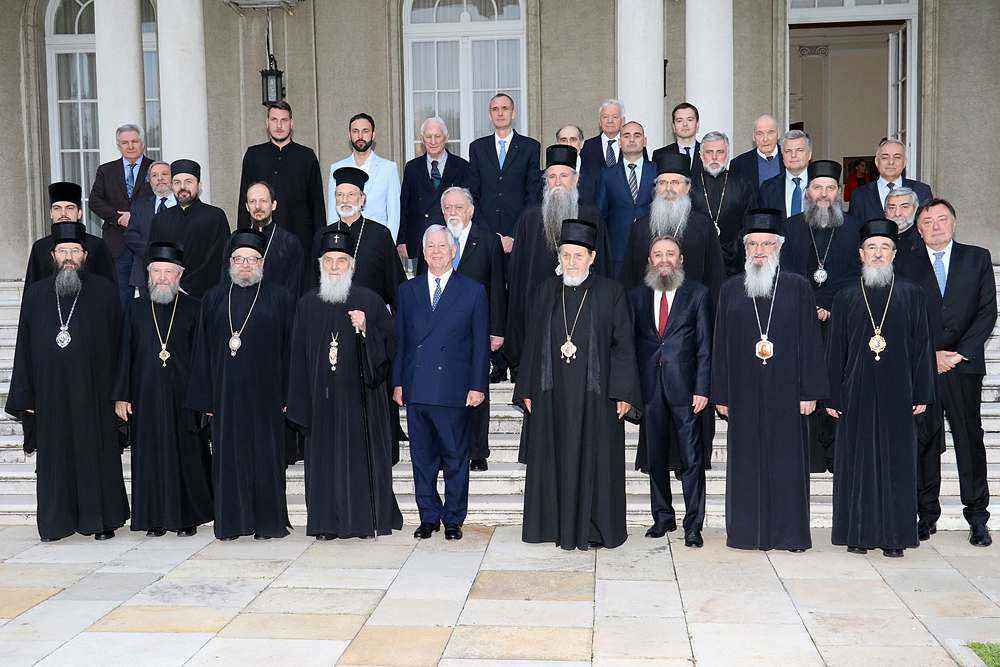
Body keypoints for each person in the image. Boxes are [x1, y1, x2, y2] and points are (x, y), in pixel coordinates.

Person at [514, 219, 641, 550]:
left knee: (596, 461)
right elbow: (532, 341)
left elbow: (624, 345)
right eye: (566, 255)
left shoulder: (611, 293)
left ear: (592, 257)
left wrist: (623, 393)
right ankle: (552, 526)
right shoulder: (545, 291)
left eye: (578, 255)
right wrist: (526, 388)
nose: (571, 262)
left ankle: (595, 529)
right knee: (552, 458)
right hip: (551, 394)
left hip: (596, 398)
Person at [712, 209, 828, 551]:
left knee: (787, 463)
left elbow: (811, 340)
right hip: (743, 391)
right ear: (745, 248)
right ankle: (747, 534)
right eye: (753, 244)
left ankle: (790, 535)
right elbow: (720, 344)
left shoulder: (798, 286)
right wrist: (721, 393)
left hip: (788, 390)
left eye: (766, 244)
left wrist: (810, 390)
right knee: (746, 464)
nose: (759, 250)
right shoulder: (731, 289)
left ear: (779, 247)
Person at [6, 222, 128, 541]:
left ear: (85, 255)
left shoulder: (104, 291)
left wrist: (120, 392)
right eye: (63, 251)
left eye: (75, 250)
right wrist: (26, 397)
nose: (69, 257)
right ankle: (55, 524)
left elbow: (119, 346)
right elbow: (23, 346)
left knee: (95, 455)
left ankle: (101, 521)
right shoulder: (35, 295)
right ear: (53, 256)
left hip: (94, 392)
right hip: (51, 394)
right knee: (55, 459)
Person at [827, 219, 935, 558]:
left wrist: (922, 391)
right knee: (857, 462)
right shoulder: (845, 295)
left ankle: (894, 537)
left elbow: (922, 345)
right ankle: (857, 534)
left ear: (894, 254)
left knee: (897, 463)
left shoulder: (911, 293)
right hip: (855, 390)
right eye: (871, 248)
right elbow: (835, 349)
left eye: (884, 247)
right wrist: (832, 394)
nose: (878, 253)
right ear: (861, 254)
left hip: (899, 388)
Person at [286, 229, 403, 539]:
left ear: (352, 265)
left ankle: (362, 522)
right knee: (323, 464)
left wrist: (366, 330)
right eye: (329, 261)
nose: (335, 267)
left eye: (341, 261)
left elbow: (390, 349)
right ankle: (325, 524)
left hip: (361, 400)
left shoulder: (370, 301)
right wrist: (297, 400)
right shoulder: (307, 304)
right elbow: (297, 356)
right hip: (320, 400)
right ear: (320, 265)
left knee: (359, 461)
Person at [899, 199, 998, 547]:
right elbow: (903, 316)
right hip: (922, 368)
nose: (936, 226)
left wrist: (958, 354)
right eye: (928, 222)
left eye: (942, 219)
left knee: (969, 440)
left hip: (963, 366)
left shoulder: (977, 258)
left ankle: (978, 517)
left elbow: (987, 311)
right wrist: (931, 355)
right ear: (919, 229)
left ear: (954, 223)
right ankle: (925, 516)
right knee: (923, 440)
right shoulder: (905, 263)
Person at [187, 229, 296, 540]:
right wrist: (206, 399)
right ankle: (232, 523)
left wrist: (288, 394)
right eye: (239, 259)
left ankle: (267, 524)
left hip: (267, 395)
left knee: (265, 459)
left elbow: (290, 348)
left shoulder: (280, 297)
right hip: (225, 395)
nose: (245, 265)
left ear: (262, 263)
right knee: (228, 460)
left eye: (252, 259)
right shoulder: (214, 298)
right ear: (230, 263)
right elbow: (202, 351)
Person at [392, 225, 490, 541]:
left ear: (453, 251)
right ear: (423, 252)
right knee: (422, 459)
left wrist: (478, 386)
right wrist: (398, 382)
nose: (436, 252)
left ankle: (453, 519)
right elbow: (401, 342)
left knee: (455, 457)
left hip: (453, 388)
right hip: (417, 387)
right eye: (430, 246)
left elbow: (480, 344)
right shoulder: (407, 291)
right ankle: (428, 516)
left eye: (442, 246)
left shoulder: (472, 291)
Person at [113, 242, 213, 537]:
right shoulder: (136, 309)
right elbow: (125, 354)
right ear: (148, 275)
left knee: (186, 455)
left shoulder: (195, 308)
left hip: (185, 397)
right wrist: (122, 395)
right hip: (145, 395)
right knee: (149, 457)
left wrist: (204, 398)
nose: (162, 278)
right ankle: (153, 519)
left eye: (169, 272)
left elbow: (203, 356)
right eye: (156, 271)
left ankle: (187, 518)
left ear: (180, 274)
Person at [780, 160, 863, 473]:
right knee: (805, 384)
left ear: (838, 192)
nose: (824, 194)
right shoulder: (791, 227)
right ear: (808, 192)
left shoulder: (854, 227)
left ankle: (839, 455)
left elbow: (858, 273)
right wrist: (810, 305)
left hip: (842, 320)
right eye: (818, 188)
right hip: (802, 321)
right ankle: (812, 456)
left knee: (839, 384)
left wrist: (831, 305)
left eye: (830, 188)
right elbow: (787, 272)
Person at [629, 235, 711, 548]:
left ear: (680, 259)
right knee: (656, 458)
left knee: (691, 459)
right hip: (650, 389)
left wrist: (702, 388)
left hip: (686, 390)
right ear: (650, 261)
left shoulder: (698, 294)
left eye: (670, 254)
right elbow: (631, 346)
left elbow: (705, 346)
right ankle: (663, 517)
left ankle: (693, 525)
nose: (664, 259)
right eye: (658, 254)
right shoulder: (636, 296)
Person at [416, 187, 506, 471]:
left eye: (458, 207)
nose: (452, 213)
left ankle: (477, 451)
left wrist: (497, 330)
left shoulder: (488, 240)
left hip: (476, 328)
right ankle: (446, 449)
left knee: (476, 386)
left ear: (471, 211)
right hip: (440, 331)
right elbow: (421, 286)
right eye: (447, 208)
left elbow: (498, 286)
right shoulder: (432, 240)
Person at [505, 144, 610, 374]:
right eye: (552, 177)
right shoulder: (530, 218)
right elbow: (518, 275)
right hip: (538, 311)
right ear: (545, 182)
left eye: (564, 175)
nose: (558, 182)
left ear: (576, 179)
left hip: (584, 309)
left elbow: (603, 267)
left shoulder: (591, 215)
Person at [237, 100, 326, 282]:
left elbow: (317, 205)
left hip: (301, 242)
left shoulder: (307, 156)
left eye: (284, 120)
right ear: (267, 123)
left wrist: (320, 247)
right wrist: (243, 241)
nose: (279, 126)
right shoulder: (253, 155)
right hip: (261, 242)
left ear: (291, 123)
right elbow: (244, 203)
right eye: (274, 120)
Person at [621, 152, 725, 301]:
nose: (668, 188)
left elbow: (715, 274)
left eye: (675, 182)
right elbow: (629, 276)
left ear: (688, 187)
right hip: (648, 306)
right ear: (656, 188)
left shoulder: (703, 225)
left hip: (693, 306)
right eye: (662, 183)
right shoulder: (640, 227)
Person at [310, 167, 405, 311]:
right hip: (331, 312)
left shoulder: (380, 234)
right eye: (340, 195)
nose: (344, 200)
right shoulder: (323, 235)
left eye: (351, 195)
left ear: (362, 199)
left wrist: (398, 320)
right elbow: (313, 280)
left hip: (370, 312)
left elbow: (394, 281)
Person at [468, 93, 543, 253]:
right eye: (495, 109)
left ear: (513, 113)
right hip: (486, 236)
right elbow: (473, 194)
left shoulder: (530, 147)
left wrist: (515, 235)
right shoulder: (477, 148)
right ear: (490, 115)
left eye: (505, 108)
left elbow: (533, 194)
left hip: (519, 236)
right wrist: (490, 235)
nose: (500, 113)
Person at [88, 123, 152, 306]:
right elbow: (95, 201)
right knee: (120, 299)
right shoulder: (106, 170)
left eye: (134, 141)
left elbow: (163, 199)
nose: (130, 146)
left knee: (150, 297)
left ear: (142, 143)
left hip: (146, 243)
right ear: (118, 145)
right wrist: (119, 218)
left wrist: (136, 218)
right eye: (125, 143)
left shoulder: (156, 170)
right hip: (117, 245)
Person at [148, 159, 230, 298]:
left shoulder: (215, 216)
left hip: (205, 293)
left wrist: (187, 286)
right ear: (171, 186)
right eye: (177, 182)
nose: (182, 187)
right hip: (169, 291)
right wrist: (171, 283)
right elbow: (154, 258)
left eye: (188, 182)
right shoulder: (160, 219)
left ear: (199, 185)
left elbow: (218, 257)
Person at [397, 116, 470, 260]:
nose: (433, 141)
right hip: (419, 241)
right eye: (428, 136)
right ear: (422, 140)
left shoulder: (462, 166)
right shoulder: (412, 167)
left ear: (446, 138)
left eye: (437, 136)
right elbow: (404, 206)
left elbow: (468, 207)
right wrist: (402, 240)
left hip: (451, 240)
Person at [690, 131, 758, 277]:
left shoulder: (742, 184)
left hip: (735, 262)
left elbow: (750, 223)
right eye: (709, 152)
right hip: (698, 259)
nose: (714, 157)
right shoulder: (689, 186)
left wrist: (733, 248)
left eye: (720, 152)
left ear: (727, 155)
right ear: (701, 156)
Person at [224, 181, 305, 298]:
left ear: (273, 205)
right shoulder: (235, 239)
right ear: (247, 207)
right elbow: (225, 283)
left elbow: (294, 289)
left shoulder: (290, 242)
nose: (258, 206)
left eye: (263, 201)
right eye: (252, 201)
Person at [25, 182, 115, 287]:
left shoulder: (97, 245)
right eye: (57, 208)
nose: (63, 213)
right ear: (51, 213)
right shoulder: (40, 247)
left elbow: (108, 287)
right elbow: (31, 290)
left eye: (69, 208)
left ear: (79, 213)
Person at [596, 121, 655, 278]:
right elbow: (601, 214)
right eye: (626, 136)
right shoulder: (607, 174)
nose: (632, 140)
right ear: (620, 142)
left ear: (645, 141)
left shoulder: (657, 171)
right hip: (618, 252)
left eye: (637, 135)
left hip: (651, 249)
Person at [328, 113, 401, 240]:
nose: (360, 136)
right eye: (355, 131)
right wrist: (334, 243)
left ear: (373, 135)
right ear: (349, 135)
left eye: (365, 131)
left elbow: (394, 214)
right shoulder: (337, 168)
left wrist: (390, 245)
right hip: (346, 240)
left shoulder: (388, 168)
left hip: (378, 241)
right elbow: (332, 213)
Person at [848, 137, 932, 225]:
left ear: (904, 162)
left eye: (897, 157)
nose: (891, 162)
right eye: (885, 157)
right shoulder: (859, 195)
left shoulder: (922, 191)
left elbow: (928, 226)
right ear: (877, 162)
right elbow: (853, 229)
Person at [124, 161, 175, 294]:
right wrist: (152, 253)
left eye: (164, 174)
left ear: (173, 178)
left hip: (178, 271)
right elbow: (131, 235)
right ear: (150, 181)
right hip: (144, 272)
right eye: (154, 175)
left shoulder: (183, 205)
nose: (160, 178)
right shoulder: (139, 206)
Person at [579, 99, 625, 203]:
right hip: (594, 206)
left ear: (622, 121)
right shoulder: (587, 146)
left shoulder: (632, 145)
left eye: (615, 117)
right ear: (600, 122)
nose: (610, 121)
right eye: (605, 117)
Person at [759, 129, 812, 218]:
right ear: (782, 155)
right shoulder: (768, 188)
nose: (793, 155)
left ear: (809, 155)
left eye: (799, 150)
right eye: (788, 151)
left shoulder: (821, 186)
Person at [729, 114, 783, 193]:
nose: (765, 139)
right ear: (753, 137)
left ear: (778, 134)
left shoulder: (791, 158)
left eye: (770, 132)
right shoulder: (738, 164)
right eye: (760, 134)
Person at [652, 102, 702, 175]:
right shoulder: (660, 154)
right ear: (673, 127)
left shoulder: (708, 152)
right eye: (679, 121)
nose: (685, 124)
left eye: (690, 120)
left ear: (697, 124)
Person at [556, 124, 596, 205]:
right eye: (563, 140)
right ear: (557, 144)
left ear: (582, 143)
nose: (568, 144)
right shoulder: (546, 175)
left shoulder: (597, 173)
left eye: (573, 140)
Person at [883, 186, 923, 260]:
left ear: (916, 209)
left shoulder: (924, 240)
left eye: (904, 207)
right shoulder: (879, 239)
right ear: (885, 212)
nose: (897, 214)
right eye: (892, 208)